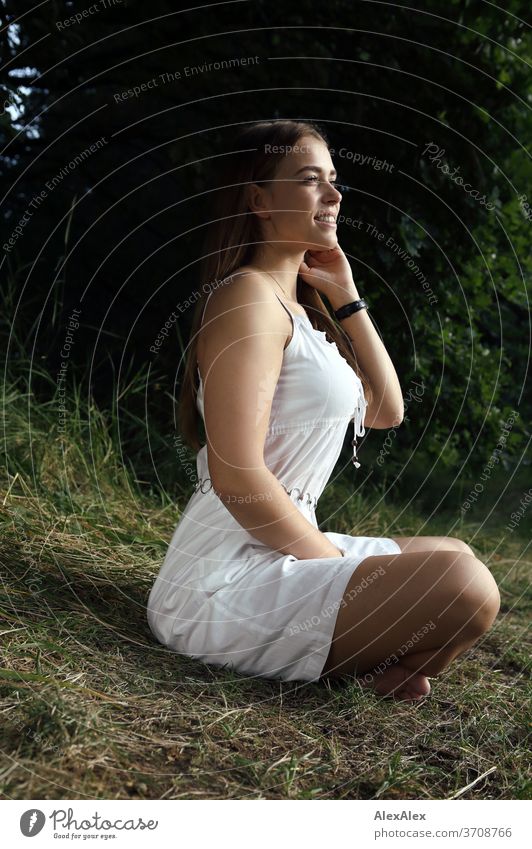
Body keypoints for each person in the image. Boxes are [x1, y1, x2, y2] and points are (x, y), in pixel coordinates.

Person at [147, 119, 500, 702]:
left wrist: (346, 294)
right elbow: (237, 476)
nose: (334, 196)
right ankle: (357, 664)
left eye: (334, 180)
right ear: (258, 199)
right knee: (464, 584)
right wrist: (330, 560)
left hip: (282, 547)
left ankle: (364, 669)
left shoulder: (302, 315)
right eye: (312, 180)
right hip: (221, 580)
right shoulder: (248, 298)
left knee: (455, 555)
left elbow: (386, 410)